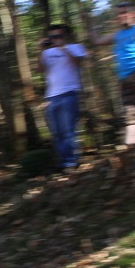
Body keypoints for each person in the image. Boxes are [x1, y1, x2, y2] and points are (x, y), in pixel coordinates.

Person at [86, 2, 135, 146]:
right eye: (118, 13)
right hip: (126, 81)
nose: (120, 16)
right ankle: (131, 149)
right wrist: (90, 24)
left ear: (134, 14)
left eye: (124, 12)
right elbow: (97, 41)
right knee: (131, 117)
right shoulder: (118, 35)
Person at [38, 24, 86, 171]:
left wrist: (64, 48)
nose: (55, 39)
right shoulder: (47, 52)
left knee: (68, 130)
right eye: (52, 37)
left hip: (70, 93)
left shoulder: (76, 47)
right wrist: (40, 50)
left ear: (66, 36)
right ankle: (64, 161)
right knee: (57, 132)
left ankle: (71, 161)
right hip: (52, 96)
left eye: (58, 36)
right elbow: (40, 69)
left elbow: (78, 63)